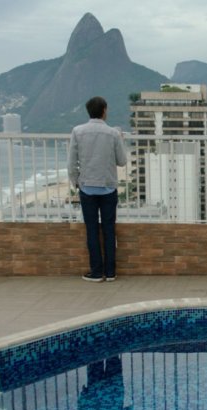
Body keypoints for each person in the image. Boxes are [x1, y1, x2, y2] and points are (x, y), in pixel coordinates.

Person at [68, 96, 128, 282]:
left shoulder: (77, 131)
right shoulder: (113, 134)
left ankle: (96, 272)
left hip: (87, 188)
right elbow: (122, 161)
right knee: (109, 230)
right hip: (108, 187)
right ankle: (110, 272)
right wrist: (121, 139)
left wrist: (76, 182)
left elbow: (71, 163)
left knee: (92, 230)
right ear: (104, 110)